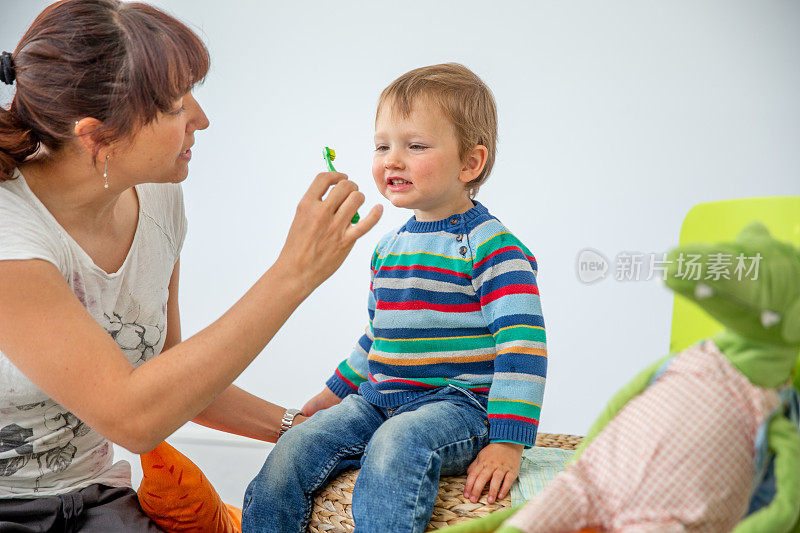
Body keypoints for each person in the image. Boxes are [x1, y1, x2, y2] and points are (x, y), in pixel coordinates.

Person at [0, 0, 381, 530]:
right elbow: (136, 417)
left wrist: (297, 425)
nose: (201, 119)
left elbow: (165, 373)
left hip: (95, 498)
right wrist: (294, 274)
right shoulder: (9, 235)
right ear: (97, 136)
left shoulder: (158, 199)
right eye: (177, 106)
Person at [242, 63, 547, 533]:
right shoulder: (389, 247)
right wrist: (331, 395)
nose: (392, 160)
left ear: (471, 163)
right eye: (382, 146)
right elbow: (377, 337)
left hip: (457, 405)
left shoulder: (495, 248)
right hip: (378, 397)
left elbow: (521, 347)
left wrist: (509, 440)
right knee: (292, 449)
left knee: (396, 443)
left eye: (415, 146)